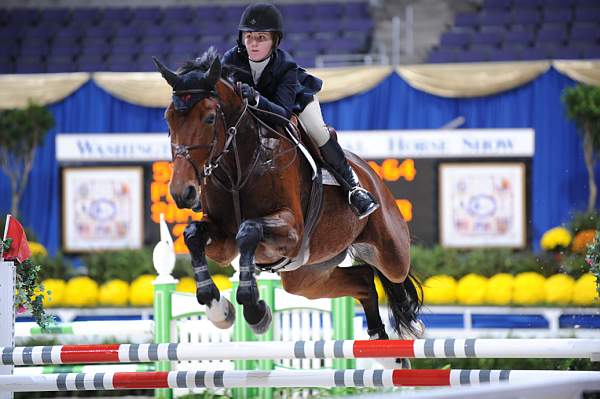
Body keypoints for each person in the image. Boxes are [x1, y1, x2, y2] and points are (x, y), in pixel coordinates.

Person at [222, 2, 379, 219]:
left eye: (261, 38)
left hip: (294, 100)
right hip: (254, 108)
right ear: (241, 39)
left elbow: (283, 114)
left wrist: (256, 99)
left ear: (274, 40)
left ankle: (353, 188)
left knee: (318, 131)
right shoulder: (229, 62)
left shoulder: (285, 66)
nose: (254, 44)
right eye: (249, 37)